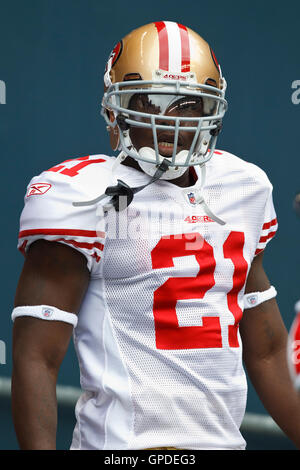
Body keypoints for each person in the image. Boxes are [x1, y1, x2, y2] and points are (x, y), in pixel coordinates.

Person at [11, 21, 300, 450]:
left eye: (187, 104)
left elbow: (266, 348)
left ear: (213, 109)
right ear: (115, 108)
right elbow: (36, 358)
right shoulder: (84, 197)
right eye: (148, 101)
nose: (169, 121)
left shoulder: (243, 186)